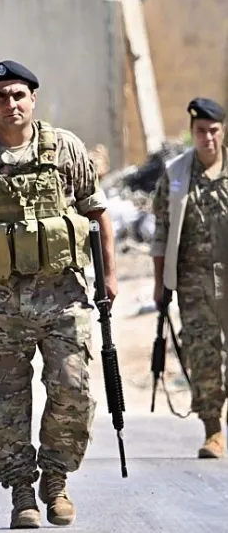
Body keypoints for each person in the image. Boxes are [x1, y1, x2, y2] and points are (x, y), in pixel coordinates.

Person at [0, 60, 117, 529]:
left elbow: (96, 214)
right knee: (5, 404)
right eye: (1, 96)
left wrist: (109, 278)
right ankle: (21, 492)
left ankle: (55, 480)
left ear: (33, 99)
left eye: (18, 95)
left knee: (74, 389)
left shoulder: (66, 150)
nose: (10, 104)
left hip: (63, 299)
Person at [150, 97, 228, 459]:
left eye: (213, 131)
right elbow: (161, 233)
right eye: (200, 131)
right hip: (193, 283)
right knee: (203, 353)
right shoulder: (177, 174)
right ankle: (213, 431)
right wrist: (160, 285)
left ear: (222, 132)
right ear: (192, 132)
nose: (207, 138)